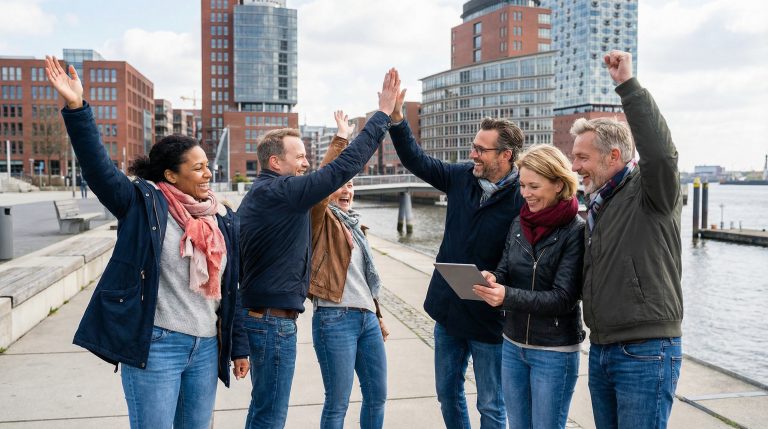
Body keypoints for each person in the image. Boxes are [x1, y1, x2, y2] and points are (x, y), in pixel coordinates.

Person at [45, 55, 249, 429]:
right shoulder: (142, 204)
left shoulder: (221, 217)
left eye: (208, 165)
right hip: (158, 346)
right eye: (198, 168)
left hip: (206, 346)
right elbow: (99, 170)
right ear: (170, 175)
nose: (208, 173)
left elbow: (230, 290)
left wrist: (238, 346)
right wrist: (77, 108)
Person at [238, 69, 400, 429]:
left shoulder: (270, 195)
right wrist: (382, 115)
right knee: (270, 415)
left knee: (265, 411)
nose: (306, 163)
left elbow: (325, 177)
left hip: (270, 319)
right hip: (272, 322)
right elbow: (338, 171)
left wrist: (340, 138)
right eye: (299, 157)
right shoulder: (279, 193)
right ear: (275, 163)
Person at [389, 92, 524, 428]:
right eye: (474, 147)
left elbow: (526, 258)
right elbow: (417, 160)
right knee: (447, 394)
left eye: (481, 149)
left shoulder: (524, 197)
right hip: (448, 311)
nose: (472, 153)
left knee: (492, 404)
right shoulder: (461, 176)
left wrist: (502, 283)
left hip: (490, 319)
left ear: (506, 155)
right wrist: (398, 120)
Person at [569, 50, 683, 429]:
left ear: (613, 156)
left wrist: (628, 87)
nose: (575, 167)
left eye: (582, 158)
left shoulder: (651, 193)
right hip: (603, 348)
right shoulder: (600, 203)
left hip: (645, 351)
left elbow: (661, 156)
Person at [472, 145, 585, 429]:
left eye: (534, 186)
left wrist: (506, 296)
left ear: (559, 184)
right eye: (522, 185)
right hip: (512, 345)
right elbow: (505, 270)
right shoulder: (518, 223)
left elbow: (563, 298)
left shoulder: (576, 230)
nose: (525, 194)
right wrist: (492, 279)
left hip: (554, 351)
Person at [309, 111, 390, 429]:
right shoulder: (319, 220)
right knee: (338, 403)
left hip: (366, 319)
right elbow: (324, 179)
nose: (346, 190)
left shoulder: (357, 227)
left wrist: (377, 314)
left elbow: (364, 279)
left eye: (351, 184)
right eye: (340, 185)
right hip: (334, 318)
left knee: (377, 396)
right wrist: (341, 138)